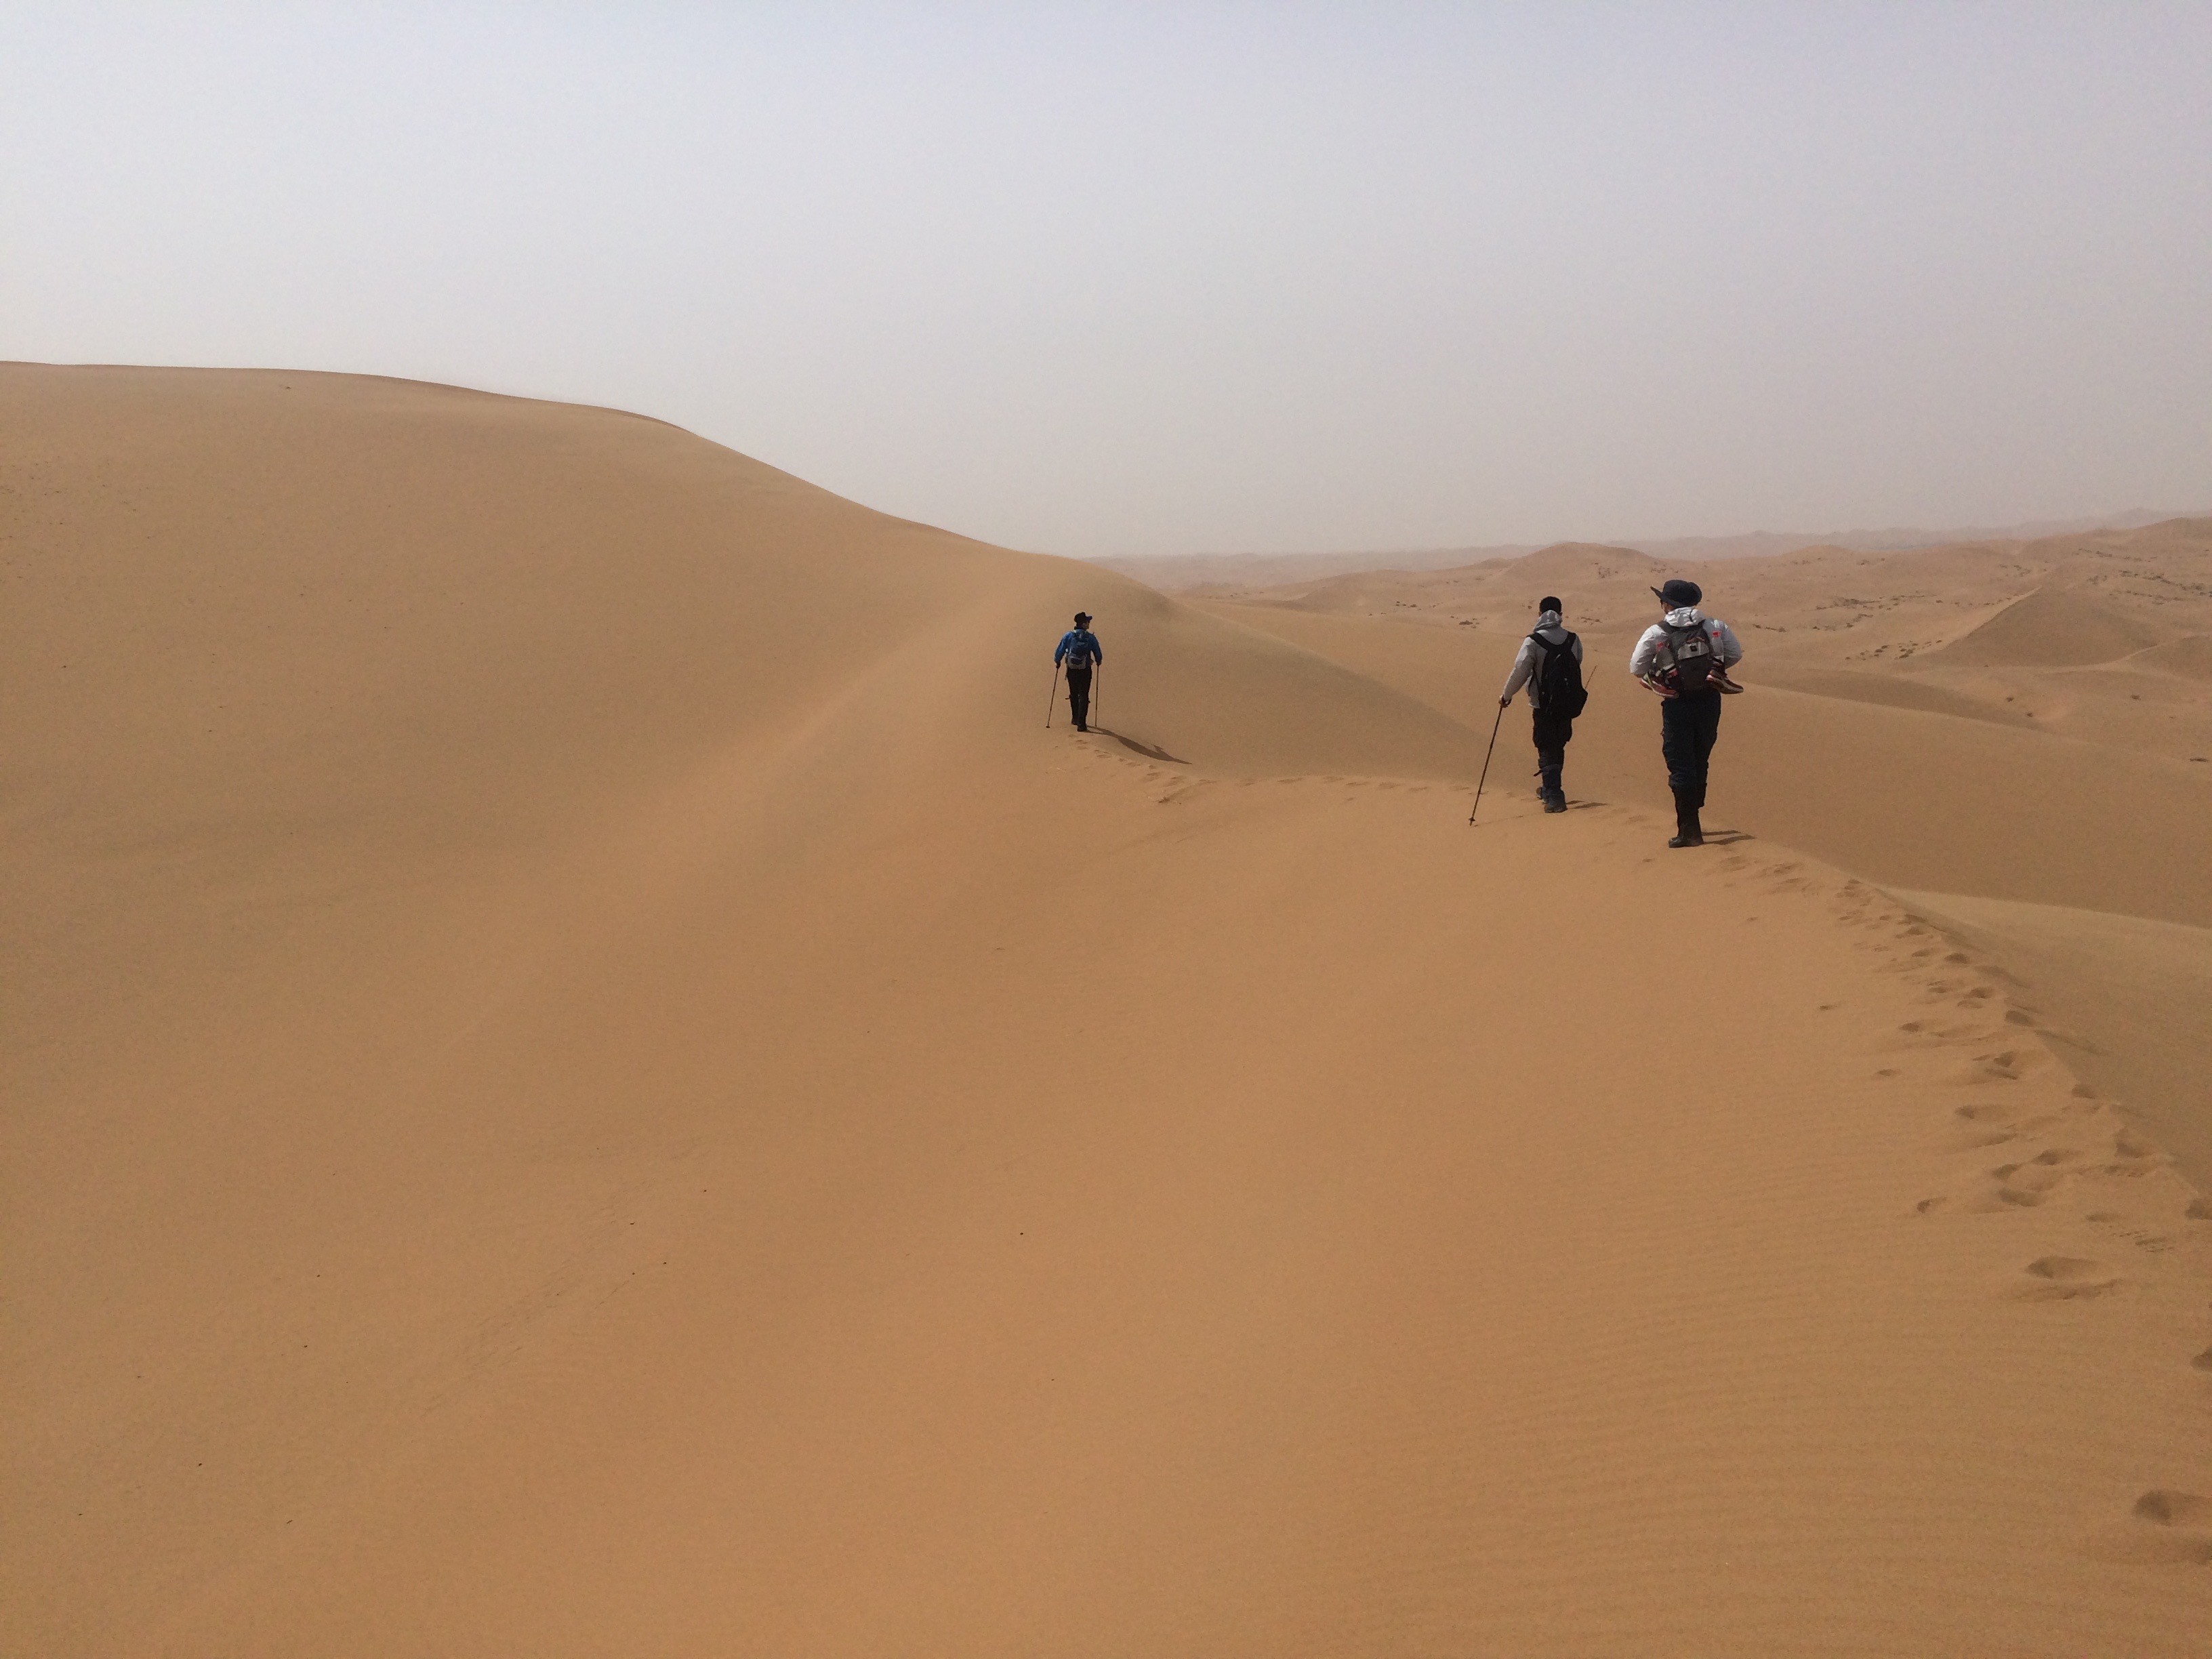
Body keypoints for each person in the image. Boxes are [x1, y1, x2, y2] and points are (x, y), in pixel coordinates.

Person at [1630, 578, 1744, 848]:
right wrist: (1708, 672)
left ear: (1667, 604)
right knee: (1700, 756)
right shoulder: (1715, 626)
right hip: (1709, 699)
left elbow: (1636, 667)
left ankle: (1689, 829)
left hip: (1676, 703)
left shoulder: (1657, 631)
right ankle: (1695, 811)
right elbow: (1735, 654)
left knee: (1680, 763)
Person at [1497, 595, 1585, 813]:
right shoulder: (1573, 640)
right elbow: (1577, 664)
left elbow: (1520, 671)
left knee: (1546, 745)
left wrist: (1506, 696)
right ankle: (1550, 788)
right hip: (1566, 704)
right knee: (1558, 743)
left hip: (1541, 705)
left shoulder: (1533, 642)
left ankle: (1554, 795)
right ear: (1560, 615)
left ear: (1539, 614)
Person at [1054, 611, 1103, 731]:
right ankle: (1082, 724)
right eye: (1088, 622)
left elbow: (1059, 650)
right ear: (1083, 624)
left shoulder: (1069, 636)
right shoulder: (1091, 638)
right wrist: (1098, 661)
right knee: (1084, 695)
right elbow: (1098, 653)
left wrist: (1058, 661)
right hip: (1085, 669)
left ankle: (1075, 718)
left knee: (1074, 693)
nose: (1089, 624)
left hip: (1072, 669)